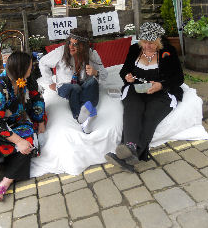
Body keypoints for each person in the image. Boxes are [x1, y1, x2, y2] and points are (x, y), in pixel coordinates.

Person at [105, 22, 184, 169]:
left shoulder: (169, 51)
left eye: (152, 43)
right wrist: (127, 77)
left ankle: (129, 153)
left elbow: (179, 78)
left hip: (162, 92)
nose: (147, 46)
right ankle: (131, 150)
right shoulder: (135, 49)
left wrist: (161, 85)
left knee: (149, 116)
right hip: (137, 89)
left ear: (159, 41)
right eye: (145, 42)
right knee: (133, 110)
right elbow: (124, 71)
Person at [0, 51, 46, 201]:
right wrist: (18, 140)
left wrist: (40, 120)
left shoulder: (27, 78)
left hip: (16, 120)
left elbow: (36, 98)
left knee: (30, 142)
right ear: (21, 69)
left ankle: (6, 182)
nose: (32, 69)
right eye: (30, 67)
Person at [39, 28, 107, 133]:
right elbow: (43, 62)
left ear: (83, 46)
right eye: (70, 43)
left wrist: (95, 73)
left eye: (75, 44)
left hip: (82, 84)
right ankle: (79, 117)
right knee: (75, 88)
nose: (71, 46)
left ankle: (85, 111)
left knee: (93, 81)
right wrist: (50, 83)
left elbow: (104, 74)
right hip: (65, 86)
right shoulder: (61, 51)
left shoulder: (91, 53)